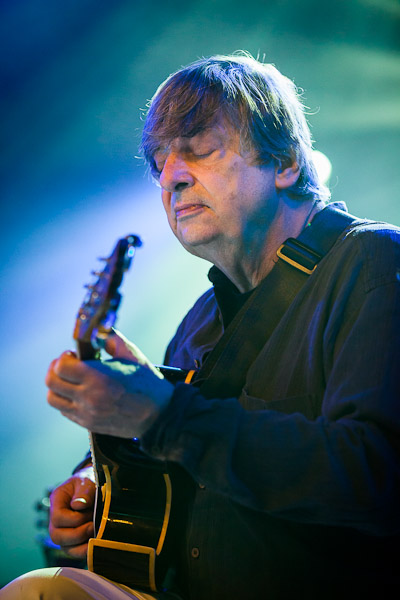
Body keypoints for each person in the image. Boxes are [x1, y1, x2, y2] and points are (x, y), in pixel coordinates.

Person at [1, 52, 399, 599]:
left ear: (284, 162)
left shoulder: (375, 262)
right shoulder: (199, 323)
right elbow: (172, 470)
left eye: (198, 150)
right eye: (159, 162)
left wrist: (163, 415)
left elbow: (378, 479)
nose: (170, 177)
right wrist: (95, 484)